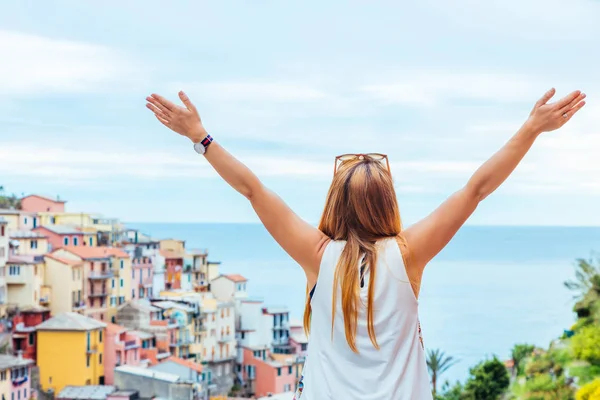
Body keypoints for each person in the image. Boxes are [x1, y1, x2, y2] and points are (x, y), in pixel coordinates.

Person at [145, 88, 585, 399]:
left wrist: (199, 136)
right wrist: (531, 130)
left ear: (336, 203)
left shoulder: (317, 256)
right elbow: (475, 190)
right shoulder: (408, 256)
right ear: (387, 202)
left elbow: (253, 191)